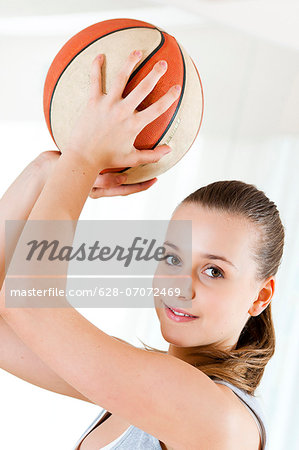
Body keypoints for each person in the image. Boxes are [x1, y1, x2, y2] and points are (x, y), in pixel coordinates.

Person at [0, 50, 284, 450]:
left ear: (260, 295)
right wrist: (47, 169)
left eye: (214, 271)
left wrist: (82, 159)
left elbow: (28, 305)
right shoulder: (143, 388)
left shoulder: (217, 415)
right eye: (172, 258)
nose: (180, 286)